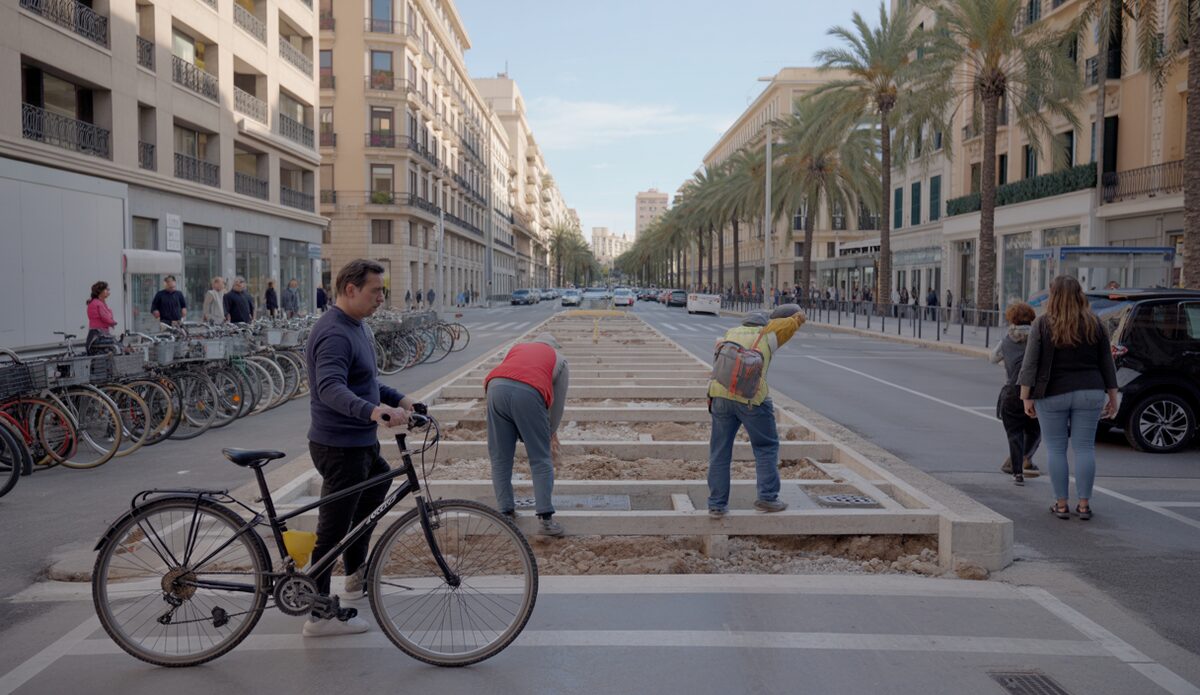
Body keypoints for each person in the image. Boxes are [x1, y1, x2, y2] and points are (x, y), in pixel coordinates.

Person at [303, 259, 419, 637]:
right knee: (331, 532)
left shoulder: (357, 326)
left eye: (382, 291)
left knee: (377, 488)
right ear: (350, 290)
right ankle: (317, 616)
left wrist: (400, 400)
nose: (381, 298)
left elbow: (365, 381)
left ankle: (354, 573)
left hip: (359, 443)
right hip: (339, 446)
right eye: (375, 291)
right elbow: (331, 388)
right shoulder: (335, 332)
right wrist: (373, 412)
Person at [1018, 275, 1119, 521]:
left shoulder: (1042, 324)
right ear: (1079, 294)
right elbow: (1107, 363)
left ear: (1052, 295)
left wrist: (1025, 397)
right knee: (1084, 448)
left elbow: (1030, 363)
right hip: (1091, 391)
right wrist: (1113, 396)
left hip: (1051, 393)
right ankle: (1084, 505)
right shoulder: (1095, 323)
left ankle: (1061, 504)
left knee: (1056, 449)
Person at [707, 304, 806, 516]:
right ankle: (767, 498)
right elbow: (796, 319)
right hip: (752, 398)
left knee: (719, 452)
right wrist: (795, 314)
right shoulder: (769, 333)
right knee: (766, 446)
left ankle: (716, 505)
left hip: (719, 395)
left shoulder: (731, 332)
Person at [485, 333, 570, 537]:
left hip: (495, 389)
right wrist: (548, 434)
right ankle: (546, 521)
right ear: (554, 347)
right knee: (541, 459)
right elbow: (557, 406)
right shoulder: (559, 360)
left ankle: (505, 513)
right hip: (530, 392)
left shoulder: (518, 348)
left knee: (500, 458)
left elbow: (509, 377)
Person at [990, 302, 1041, 485]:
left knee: (1014, 433)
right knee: (1035, 430)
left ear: (1012, 318)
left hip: (1011, 391)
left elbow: (993, 358)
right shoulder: (1038, 337)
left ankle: (1017, 472)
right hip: (1034, 392)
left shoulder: (1006, 339)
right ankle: (1026, 457)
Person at [85, 281, 118, 353]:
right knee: (114, 345)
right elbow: (106, 317)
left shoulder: (95, 302)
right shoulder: (98, 303)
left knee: (100, 359)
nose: (108, 291)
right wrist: (113, 322)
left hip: (94, 335)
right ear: (100, 291)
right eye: (106, 289)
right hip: (98, 335)